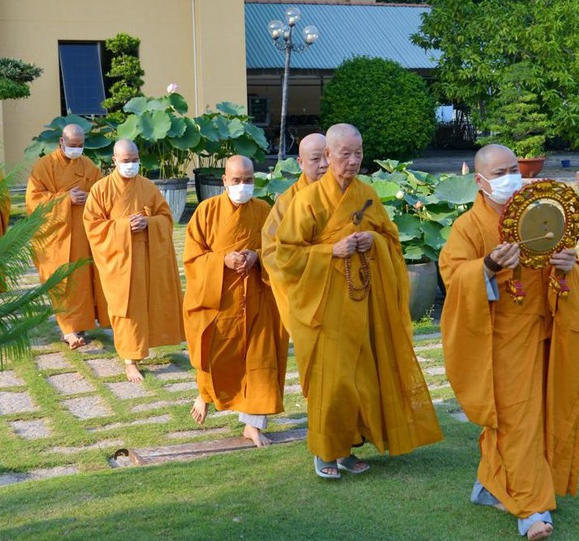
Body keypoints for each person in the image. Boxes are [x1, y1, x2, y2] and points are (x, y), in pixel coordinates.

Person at [271, 123, 442, 479]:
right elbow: (285, 255)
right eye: (344, 154)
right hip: (322, 307)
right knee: (332, 382)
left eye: (358, 153)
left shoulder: (366, 193)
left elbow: (390, 238)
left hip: (362, 304)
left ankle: (348, 449)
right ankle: (325, 452)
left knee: (362, 381)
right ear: (328, 156)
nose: (352, 161)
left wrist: (372, 242)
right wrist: (328, 251)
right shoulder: (307, 201)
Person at [438, 144, 579, 541]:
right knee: (517, 422)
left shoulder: (538, 215)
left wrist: (569, 266)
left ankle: (489, 484)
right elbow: (453, 277)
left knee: (539, 416)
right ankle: (532, 510)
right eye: (500, 172)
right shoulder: (468, 227)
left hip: (544, 333)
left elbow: (567, 262)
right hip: (500, 339)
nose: (510, 178)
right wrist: (487, 266)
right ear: (480, 180)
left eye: (514, 169)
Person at [184, 155, 287, 448]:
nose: (243, 186)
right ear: (225, 181)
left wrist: (256, 255)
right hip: (220, 300)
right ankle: (205, 393)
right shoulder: (206, 211)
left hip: (256, 298)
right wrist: (222, 260)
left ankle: (252, 424)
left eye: (249, 180)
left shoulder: (264, 210)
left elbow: (275, 247)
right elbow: (192, 257)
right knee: (213, 351)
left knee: (261, 362)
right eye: (237, 180)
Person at [83, 139, 184, 383]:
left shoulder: (147, 186)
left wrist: (149, 223)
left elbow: (166, 217)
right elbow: (93, 226)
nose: (131, 165)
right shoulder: (101, 189)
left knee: (148, 303)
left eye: (135, 160)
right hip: (118, 258)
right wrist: (123, 226)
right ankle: (130, 361)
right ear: (114, 161)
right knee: (126, 307)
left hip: (147, 257)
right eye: (126, 161)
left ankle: (146, 346)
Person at [26, 124, 110, 350]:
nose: (76, 149)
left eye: (80, 145)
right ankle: (68, 329)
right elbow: (33, 200)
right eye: (72, 145)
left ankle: (79, 326)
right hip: (56, 236)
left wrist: (89, 196)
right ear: (61, 142)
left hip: (83, 234)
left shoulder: (88, 166)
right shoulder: (44, 167)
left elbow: (102, 192)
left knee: (82, 281)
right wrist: (65, 199)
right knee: (61, 280)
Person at [260, 132, 329, 319]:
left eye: (328, 156)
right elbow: (270, 251)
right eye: (315, 159)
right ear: (300, 162)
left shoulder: (348, 194)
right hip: (304, 289)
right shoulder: (287, 203)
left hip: (344, 289)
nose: (324, 164)